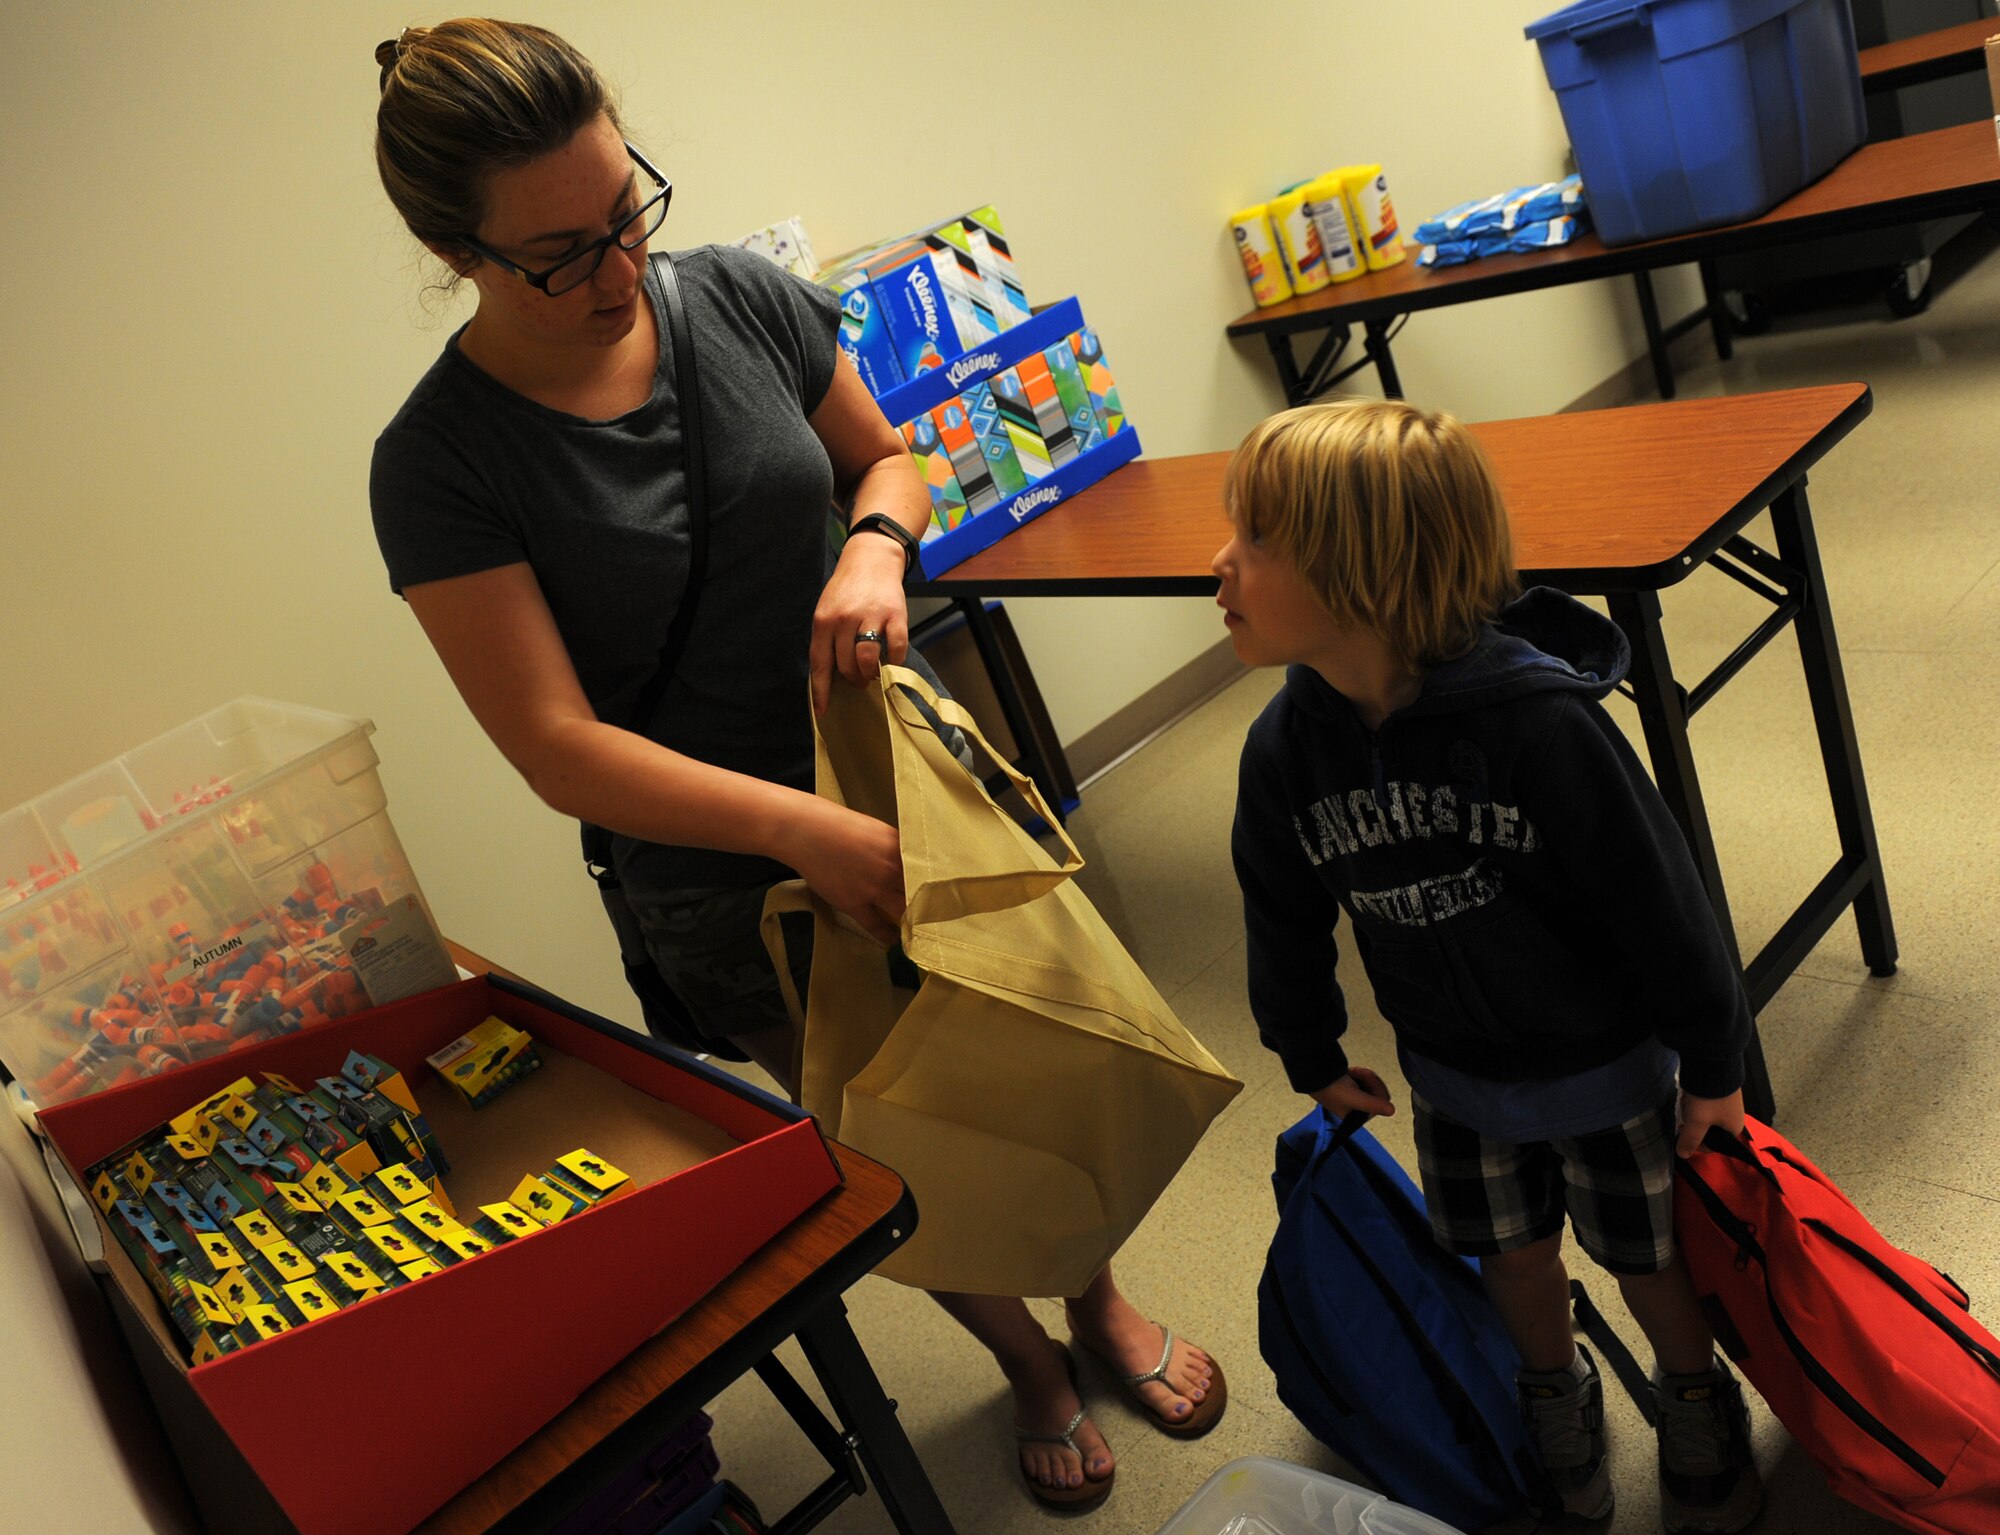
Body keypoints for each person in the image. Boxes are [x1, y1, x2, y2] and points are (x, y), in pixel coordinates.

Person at [366, 19, 1220, 1509]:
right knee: (900, 1138)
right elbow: (558, 749)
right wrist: (799, 836)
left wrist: (878, 547)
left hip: (903, 780)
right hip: (725, 880)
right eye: (561, 254)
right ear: (455, 251)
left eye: (630, 211)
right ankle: (1022, 1356)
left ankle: (1095, 1298)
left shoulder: (742, 297)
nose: (620, 270)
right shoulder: (440, 459)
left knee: (1041, 1048)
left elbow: (885, 459)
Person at [1216, 400, 1764, 1533]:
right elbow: (1279, 912)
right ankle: (1553, 1397)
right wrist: (1308, 1051)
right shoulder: (1283, 750)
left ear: (1357, 569)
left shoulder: (1540, 727)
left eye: (1253, 540)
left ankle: (1692, 1393)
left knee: (1648, 1256)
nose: (1216, 565)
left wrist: (1712, 1062)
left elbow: (1666, 907)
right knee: (1510, 1261)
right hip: (1457, 1080)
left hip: (1607, 1069)